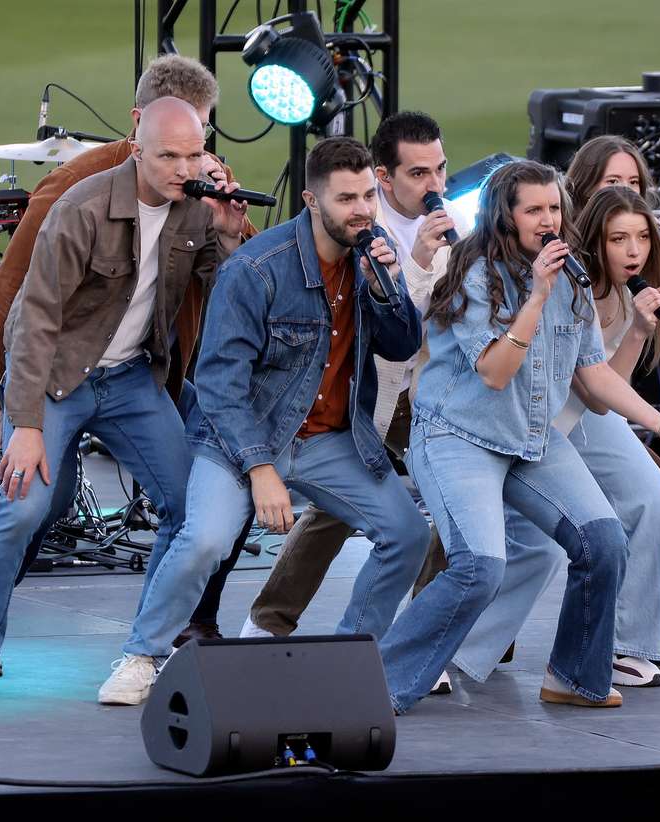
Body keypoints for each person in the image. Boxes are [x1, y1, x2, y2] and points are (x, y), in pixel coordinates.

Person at [97, 137, 431, 706]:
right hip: (238, 438)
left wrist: (387, 286)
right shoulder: (258, 268)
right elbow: (222, 385)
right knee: (204, 538)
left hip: (328, 439)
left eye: (368, 196)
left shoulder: (371, 258)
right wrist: (260, 469)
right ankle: (141, 655)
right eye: (347, 198)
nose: (363, 210)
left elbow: (402, 343)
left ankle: (351, 659)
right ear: (311, 200)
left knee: (407, 534)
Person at [375, 160, 660, 714]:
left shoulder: (571, 278)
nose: (548, 219)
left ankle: (573, 676)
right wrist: (535, 297)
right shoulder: (474, 272)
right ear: (506, 217)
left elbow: (594, 373)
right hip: (458, 437)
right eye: (534, 209)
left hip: (531, 439)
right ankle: (382, 682)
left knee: (603, 540)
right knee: (481, 565)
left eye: (554, 208)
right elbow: (494, 371)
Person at [0, 97, 249, 697]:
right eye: (168, 156)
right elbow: (33, 320)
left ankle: (144, 651)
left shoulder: (194, 211)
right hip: (58, 377)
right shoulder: (81, 207)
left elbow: (229, 291)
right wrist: (23, 422)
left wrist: (231, 236)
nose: (183, 168)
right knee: (24, 505)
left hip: (133, 379)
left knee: (190, 507)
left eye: (193, 154)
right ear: (137, 149)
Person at [239, 111, 467, 641]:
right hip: (370, 393)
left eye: (440, 169)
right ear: (383, 178)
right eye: (418, 173)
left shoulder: (455, 221)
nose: (434, 185)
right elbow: (387, 325)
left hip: (433, 392)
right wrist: (417, 260)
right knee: (333, 513)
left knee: (456, 499)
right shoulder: (357, 223)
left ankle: (422, 631)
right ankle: (268, 622)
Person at [565, 134, 660, 670]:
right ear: (582, 190)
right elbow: (589, 385)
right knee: (517, 538)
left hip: (591, 409)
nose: (626, 193)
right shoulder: (562, 267)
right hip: (542, 412)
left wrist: (638, 327)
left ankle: (641, 645)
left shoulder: (635, 272)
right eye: (612, 184)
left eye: (634, 185)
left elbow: (607, 390)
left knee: (658, 495)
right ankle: (464, 645)